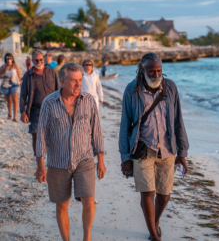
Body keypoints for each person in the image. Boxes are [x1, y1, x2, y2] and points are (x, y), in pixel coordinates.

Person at [119, 53, 189, 241]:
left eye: (159, 70)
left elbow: (178, 120)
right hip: (143, 149)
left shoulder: (170, 87)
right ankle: (153, 235)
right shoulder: (131, 90)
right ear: (142, 70)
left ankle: (155, 222)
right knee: (147, 192)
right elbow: (125, 124)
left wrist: (182, 152)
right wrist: (125, 157)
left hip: (167, 149)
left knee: (164, 194)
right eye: (152, 71)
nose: (156, 74)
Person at [35, 63, 106, 241]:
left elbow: (96, 131)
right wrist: (40, 166)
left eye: (80, 80)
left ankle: (86, 238)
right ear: (62, 81)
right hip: (58, 162)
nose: (77, 84)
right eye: (73, 81)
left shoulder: (89, 100)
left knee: (89, 201)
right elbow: (42, 134)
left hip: (85, 159)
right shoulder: (49, 103)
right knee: (62, 205)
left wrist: (101, 160)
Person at [20, 49, 59, 156]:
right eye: (36, 60)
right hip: (35, 110)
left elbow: (58, 90)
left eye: (41, 60)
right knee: (36, 135)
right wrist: (23, 112)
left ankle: (51, 160)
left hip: (52, 109)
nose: (39, 62)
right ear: (32, 61)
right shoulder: (27, 75)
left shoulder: (51, 72)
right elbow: (23, 95)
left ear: (44, 59)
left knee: (52, 136)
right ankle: (39, 160)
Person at [0, 53, 21, 122]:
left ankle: (15, 117)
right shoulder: (3, 67)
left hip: (14, 84)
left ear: (12, 59)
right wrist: (4, 76)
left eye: (10, 58)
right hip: (5, 85)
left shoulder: (15, 66)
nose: (9, 60)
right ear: (5, 59)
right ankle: (9, 114)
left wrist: (20, 82)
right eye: (7, 58)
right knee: (9, 101)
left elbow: (19, 76)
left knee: (15, 99)